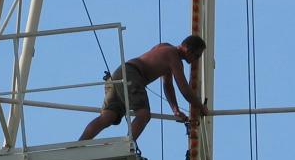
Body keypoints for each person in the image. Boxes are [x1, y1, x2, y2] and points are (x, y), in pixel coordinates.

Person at [80, 35, 209, 141]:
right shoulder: (174, 58)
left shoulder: (164, 47)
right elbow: (184, 89)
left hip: (119, 74)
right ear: (188, 49)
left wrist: (175, 109)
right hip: (132, 75)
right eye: (197, 56)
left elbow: (168, 85)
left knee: (108, 116)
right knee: (143, 114)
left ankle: (80, 144)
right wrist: (200, 106)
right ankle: (128, 144)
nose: (195, 60)